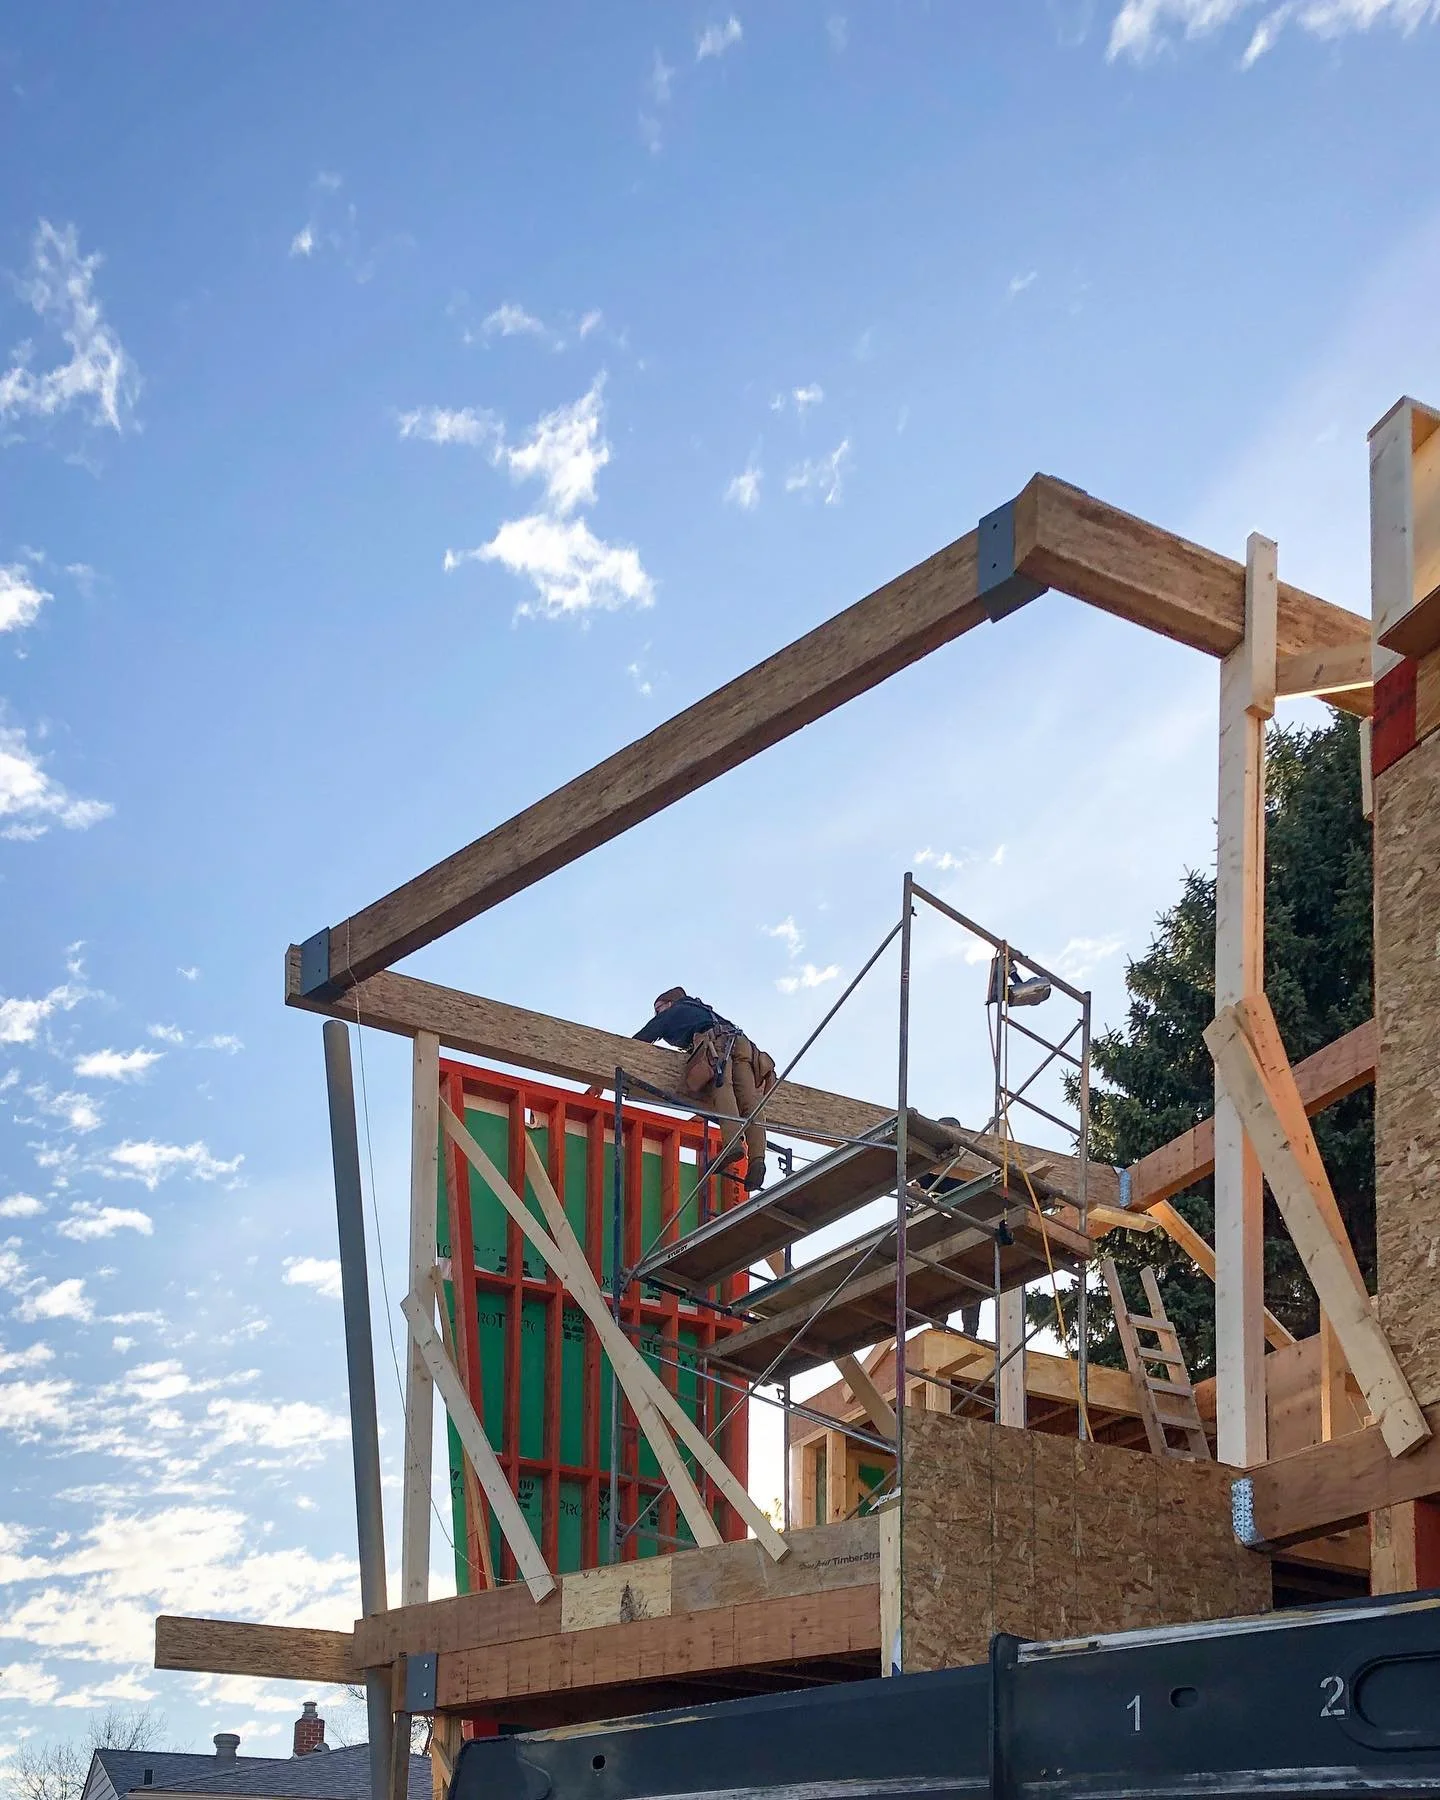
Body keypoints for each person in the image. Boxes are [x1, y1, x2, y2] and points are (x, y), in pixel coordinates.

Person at [635, 987, 776, 1193]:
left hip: (717, 1044)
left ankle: (733, 1145)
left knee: (722, 1087)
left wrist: (618, 1057)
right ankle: (758, 1159)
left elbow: (642, 1038)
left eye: (658, 1009)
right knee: (750, 1102)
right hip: (742, 1044)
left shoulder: (673, 1012)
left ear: (670, 1003)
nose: (657, 1014)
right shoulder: (702, 1010)